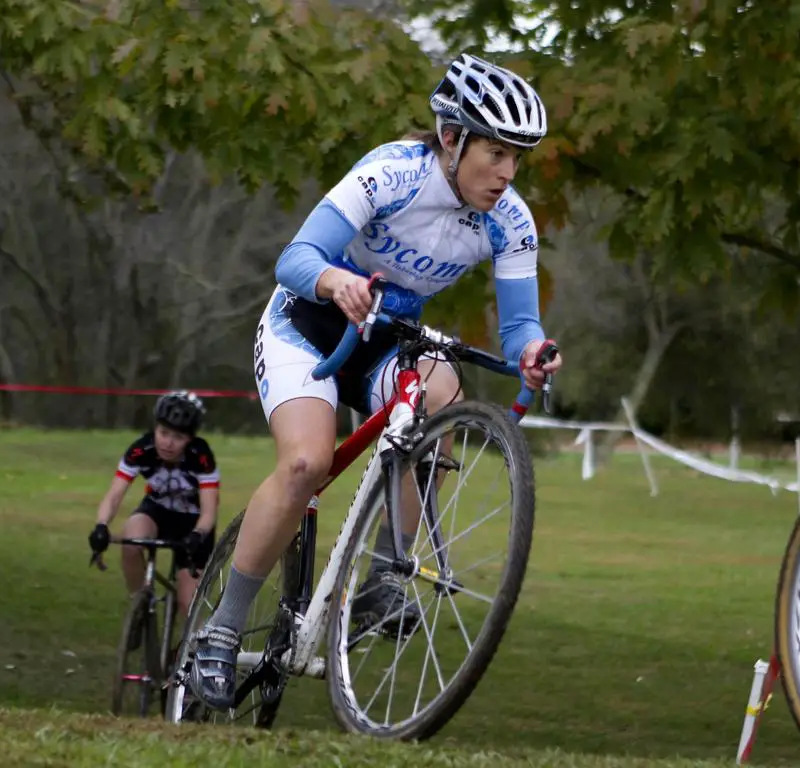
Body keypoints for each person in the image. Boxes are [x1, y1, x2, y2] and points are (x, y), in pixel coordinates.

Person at [188, 51, 563, 709]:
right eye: (495, 153)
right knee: (305, 463)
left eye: (517, 158)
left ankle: (384, 575)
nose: (506, 173)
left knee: (441, 390)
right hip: (308, 325)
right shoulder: (392, 173)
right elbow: (295, 258)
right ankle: (219, 632)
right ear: (451, 138)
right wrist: (337, 279)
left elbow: (519, 324)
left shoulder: (509, 220)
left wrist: (532, 350)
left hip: (387, 339)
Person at [88, 390, 220, 649]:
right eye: (163, 432)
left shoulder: (201, 457)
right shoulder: (141, 450)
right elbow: (114, 496)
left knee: (189, 602)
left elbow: (209, 511)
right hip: (156, 511)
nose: (168, 443)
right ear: (155, 428)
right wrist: (101, 525)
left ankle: (192, 659)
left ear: (190, 439)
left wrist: (198, 534)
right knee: (131, 540)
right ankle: (139, 605)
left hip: (193, 524)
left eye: (178, 437)